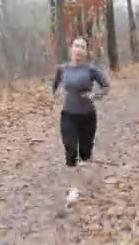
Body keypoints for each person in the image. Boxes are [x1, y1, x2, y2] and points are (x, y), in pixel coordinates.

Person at [51, 37, 110, 203]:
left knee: (85, 154)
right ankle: (74, 188)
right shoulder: (62, 69)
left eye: (82, 47)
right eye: (76, 46)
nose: (78, 49)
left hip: (88, 118)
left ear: (85, 52)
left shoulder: (91, 70)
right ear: (71, 49)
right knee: (70, 151)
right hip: (68, 115)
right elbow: (54, 86)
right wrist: (53, 96)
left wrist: (95, 95)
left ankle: (83, 176)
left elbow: (106, 87)